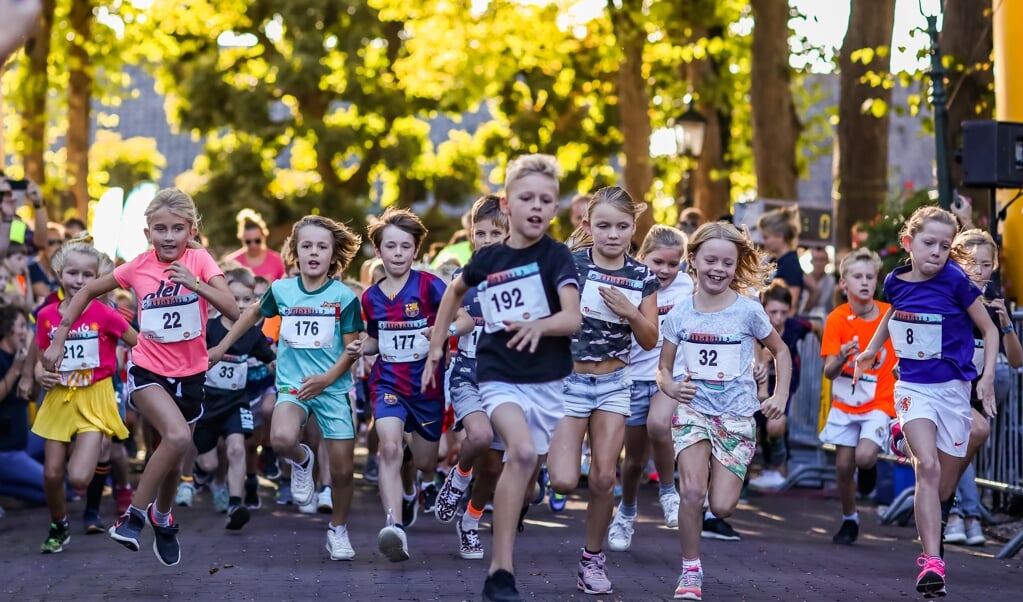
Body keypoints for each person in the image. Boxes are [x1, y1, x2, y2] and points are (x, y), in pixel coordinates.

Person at [41, 188, 239, 567]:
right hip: (147, 367)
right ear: (147, 233)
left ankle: (162, 517)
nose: (168, 237)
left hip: (192, 372)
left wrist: (194, 283)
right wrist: (60, 337)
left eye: (177, 229)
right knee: (178, 437)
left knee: (177, 448)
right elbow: (86, 292)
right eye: (159, 229)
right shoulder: (136, 266)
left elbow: (230, 306)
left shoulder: (200, 260)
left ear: (191, 230)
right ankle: (133, 517)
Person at [423, 154, 581, 602]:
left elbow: (571, 319)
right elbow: (455, 292)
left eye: (546, 200)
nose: (536, 206)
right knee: (523, 452)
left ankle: (492, 532)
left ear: (554, 210)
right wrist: (438, 344)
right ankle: (501, 571)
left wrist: (540, 325)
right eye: (526, 197)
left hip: (550, 382)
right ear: (507, 204)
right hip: (497, 379)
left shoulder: (557, 258)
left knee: (540, 480)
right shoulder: (488, 258)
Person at [854, 206, 998, 598]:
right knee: (928, 468)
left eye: (944, 246)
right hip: (913, 388)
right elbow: (894, 314)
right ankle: (932, 562)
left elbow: (988, 327)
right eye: (928, 243)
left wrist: (985, 379)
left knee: (941, 485)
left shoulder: (956, 282)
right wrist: (871, 350)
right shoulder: (895, 281)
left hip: (953, 391)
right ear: (908, 243)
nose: (936, 252)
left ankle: (907, 445)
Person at [208, 214, 363, 560]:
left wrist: (325, 379)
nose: (314, 252)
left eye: (322, 247)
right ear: (295, 252)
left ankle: (338, 530)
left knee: (341, 470)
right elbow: (249, 317)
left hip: (332, 387)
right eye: (306, 245)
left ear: (333, 253)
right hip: (293, 386)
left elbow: (352, 351)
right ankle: (302, 459)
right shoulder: (282, 290)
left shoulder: (344, 297)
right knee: (279, 439)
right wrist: (220, 348)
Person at [658, 222, 791, 601]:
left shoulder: (748, 311)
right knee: (693, 492)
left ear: (737, 266)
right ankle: (690, 570)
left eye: (727, 262)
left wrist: (779, 395)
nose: (718, 268)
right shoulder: (680, 314)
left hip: (735, 418)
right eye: (710, 260)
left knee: (723, 506)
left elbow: (780, 351)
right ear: (694, 260)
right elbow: (664, 367)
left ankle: (713, 520)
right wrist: (669, 386)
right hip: (693, 411)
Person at [546, 186, 658, 595]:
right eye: (604, 225)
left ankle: (592, 560)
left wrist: (629, 311)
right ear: (588, 225)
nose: (613, 234)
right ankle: (543, 464)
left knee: (601, 479)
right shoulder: (569, 264)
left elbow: (649, 339)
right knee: (561, 480)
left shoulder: (642, 275)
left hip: (614, 384)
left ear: (634, 227)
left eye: (622, 226)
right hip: (569, 382)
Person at [347, 207, 446, 562]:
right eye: (391, 247)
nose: (398, 254)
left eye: (405, 247)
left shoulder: (431, 286)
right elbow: (377, 339)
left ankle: (410, 490)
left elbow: (461, 318)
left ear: (415, 250)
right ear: (379, 252)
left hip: (427, 387)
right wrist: (362, 346)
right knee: (388, 448)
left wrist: (441, 332)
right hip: (387, 382)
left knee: (425, 462)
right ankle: (394, 526)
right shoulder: (370, 298)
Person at [32, 238, 136, 552]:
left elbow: (138, 342)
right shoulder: (46, 315)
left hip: (95, 396)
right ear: (60, 274)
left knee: (77, 478)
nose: (79, 280)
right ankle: (59, 524)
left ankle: (93, 503)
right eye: (73, 273)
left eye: (87, 275)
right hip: (59, 397)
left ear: (97, 279)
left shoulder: (105, 314)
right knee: (52, 474)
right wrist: (40, 375)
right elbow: (40, 360)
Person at [432, 195, 509, 562]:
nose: (487, 239)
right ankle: (459, 475)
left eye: (496, 232)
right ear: (471, 236)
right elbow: (461, 318)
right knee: (478, 435)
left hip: (509, 383)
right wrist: (446, 330)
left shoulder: (524, 280)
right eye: (480, 233)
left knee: (493, 467)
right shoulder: (462, 278)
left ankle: (470, 520)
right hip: (468, 376)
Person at [608, 225, 694, 553]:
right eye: (658, 262)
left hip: (669, 377)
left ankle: (669, 492)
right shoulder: (631, 282)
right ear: (642, 256)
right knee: (632, 463)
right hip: (632, 379)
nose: (665, 270)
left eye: (674, 264)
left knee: (660, 426)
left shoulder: (687, 287)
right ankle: (626, 512)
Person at [943, 229, 1022, 547]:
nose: (978, 271)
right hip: (945, 387)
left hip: (976, 393)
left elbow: (1016, 361)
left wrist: (1006, 325)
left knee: (965, 446)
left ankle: (954, 507)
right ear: (958, 264)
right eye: (971, 263)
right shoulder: (948, 298)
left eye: (986, 264)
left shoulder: (992, 305)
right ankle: (961, 513)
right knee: (968, 438)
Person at [818, 248, 897, 545]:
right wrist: (840, 357)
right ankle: (850, 518)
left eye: (870, 277)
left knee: (863, 457)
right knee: (841, 467)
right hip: (846, 402)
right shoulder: (837, 319)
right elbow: (828, 371)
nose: (864, 282)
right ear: (843, 283)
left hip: (879, 400)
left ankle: (869, 464)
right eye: (857, 276)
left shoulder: (889, 314)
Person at [194, 266, 275, 530]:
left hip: (235, 403)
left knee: (238, 448)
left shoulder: (252, 333)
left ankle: (235, 504)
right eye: (234, 298)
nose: (240, 305)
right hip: (207, 403)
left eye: (246, 299)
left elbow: (271, 359)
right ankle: (204, 474)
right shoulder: (208, 328)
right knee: (209, 462)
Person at [748, 281, 815, 491]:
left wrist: (828, 355)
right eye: (773, 312)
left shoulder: (794, 327)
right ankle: (744, 479)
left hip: (783, 386)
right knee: (752, 432)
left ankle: (777, 467)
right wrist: (762, 361)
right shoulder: (754, 329)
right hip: (755, 387)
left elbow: (817, 326)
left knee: (775, 425)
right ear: (763, 308)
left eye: (783, 312)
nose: (777, 318)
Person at [0, 304, 46, 506]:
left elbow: (34, 396)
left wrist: (31, 364)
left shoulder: (20, 356)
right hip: (5, 450)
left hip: (23, 441)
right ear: (7, 329)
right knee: (58, 491)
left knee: (59, 436)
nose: (25, 331)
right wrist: (16, 368)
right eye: (21, 326)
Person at [757, 206, 812, 314]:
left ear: (779, 236)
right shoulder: (775, 261)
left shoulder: (790, 264)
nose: (763, 242)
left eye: (766, 237)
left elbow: (791, 305)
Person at [223, 209, 287, 282]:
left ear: (264, 236)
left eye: (257, 241)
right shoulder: (232, 262)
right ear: (242, 239)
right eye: (248, 242)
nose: (253, 245)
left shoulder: (278, 261)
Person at [29, 222, 65, 300]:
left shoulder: (62, 270)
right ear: (41, 245)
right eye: (51, 243)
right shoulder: (33, 269)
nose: (57, 246)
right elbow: (48, 299)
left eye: (60, 242)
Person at [801, 247, 836, 317]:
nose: (819, 263)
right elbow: (802, 309)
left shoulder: (832, 281)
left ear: (827, 261)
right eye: (816, 259)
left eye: (822, 259)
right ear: (811, 261)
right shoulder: (804, 279)